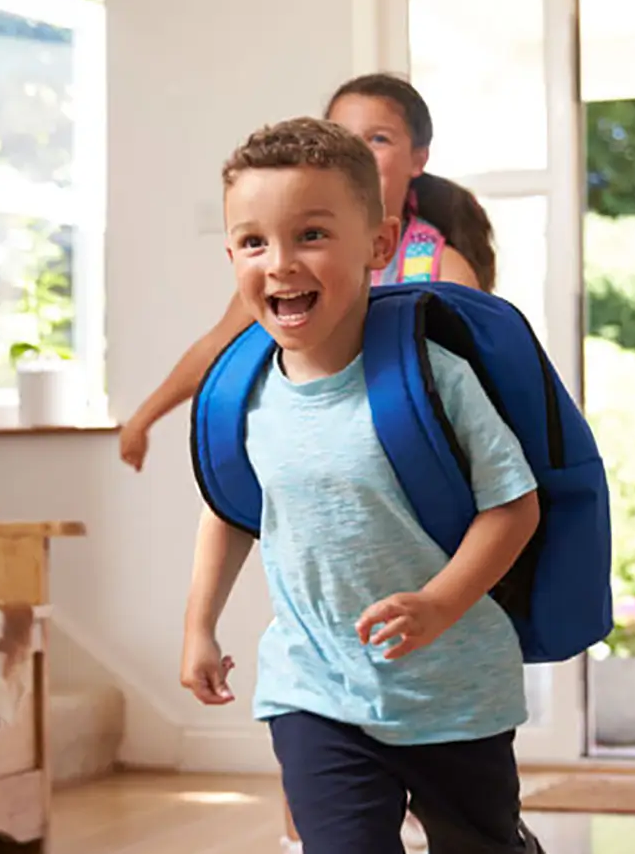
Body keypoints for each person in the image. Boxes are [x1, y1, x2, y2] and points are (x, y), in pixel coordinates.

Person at [180, 116, 544, 854]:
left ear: (379, 245)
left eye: (311, 234)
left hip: (455, 690)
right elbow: (230, 510)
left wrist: (441, 603)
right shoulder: (239, 392)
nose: (279, 263)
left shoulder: (433, 378)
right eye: (254, 242)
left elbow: (513, 504)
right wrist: (198, 626)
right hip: (314, 686)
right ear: (231, 254)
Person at [117, 73, 497, 474]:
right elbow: (218, 345)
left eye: (378, 138)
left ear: (419, 157)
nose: (282, 263)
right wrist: (145, 417)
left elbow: (474, 393)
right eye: (345, 135)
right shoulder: (283, 271)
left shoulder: (442, 267)